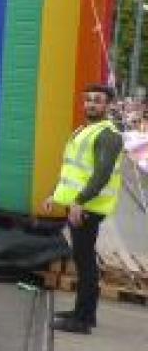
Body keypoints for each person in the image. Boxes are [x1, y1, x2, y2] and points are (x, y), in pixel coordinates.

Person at [44, 84, 125, 334]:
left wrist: (80, 201)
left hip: (88, 207)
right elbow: (73, 170)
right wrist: (55, 195)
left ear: (109, 105)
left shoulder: (108, 134)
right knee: (82, 259)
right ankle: (82, 312)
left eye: (98, 100)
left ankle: (83, 319)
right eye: (88, 100)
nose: (91, 104)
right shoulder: (85, 130)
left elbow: (101, 173)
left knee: (86, 262)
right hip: (80, 204)